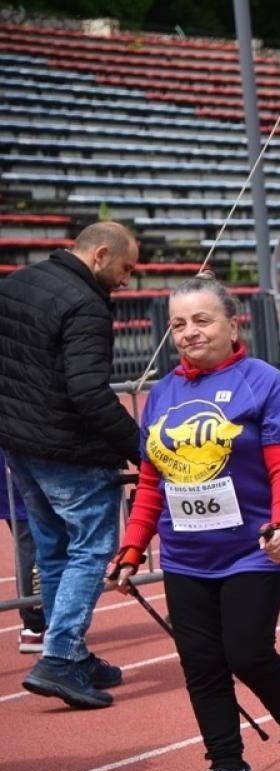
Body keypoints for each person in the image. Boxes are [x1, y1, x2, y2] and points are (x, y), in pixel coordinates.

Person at [107, 275, 280, 771]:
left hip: (252, 548)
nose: (188, 333)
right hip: (185, 556)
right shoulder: (163, 393)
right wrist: (133, 547)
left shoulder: (265, 383)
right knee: (201, 664)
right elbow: (153, 482)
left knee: (247, 652)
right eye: (178, 324)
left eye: (202, 320)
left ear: (232, 323)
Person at [0, 221, 141, 709]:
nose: (127, 280)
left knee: (54, 548)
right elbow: (88, 394)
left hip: (20, 448)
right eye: (126, 268)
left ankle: (72, 653)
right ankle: (59, 658)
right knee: (90, 549)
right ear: (100, 255)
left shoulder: (17, 282)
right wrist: (139, 446)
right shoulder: (85, 304)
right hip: (69, 452)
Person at [2, 448, 47, 652]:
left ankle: (39, 623)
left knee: (35, 544)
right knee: (32, 547)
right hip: (17, 475)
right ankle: (35, 626)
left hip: (17, 471)